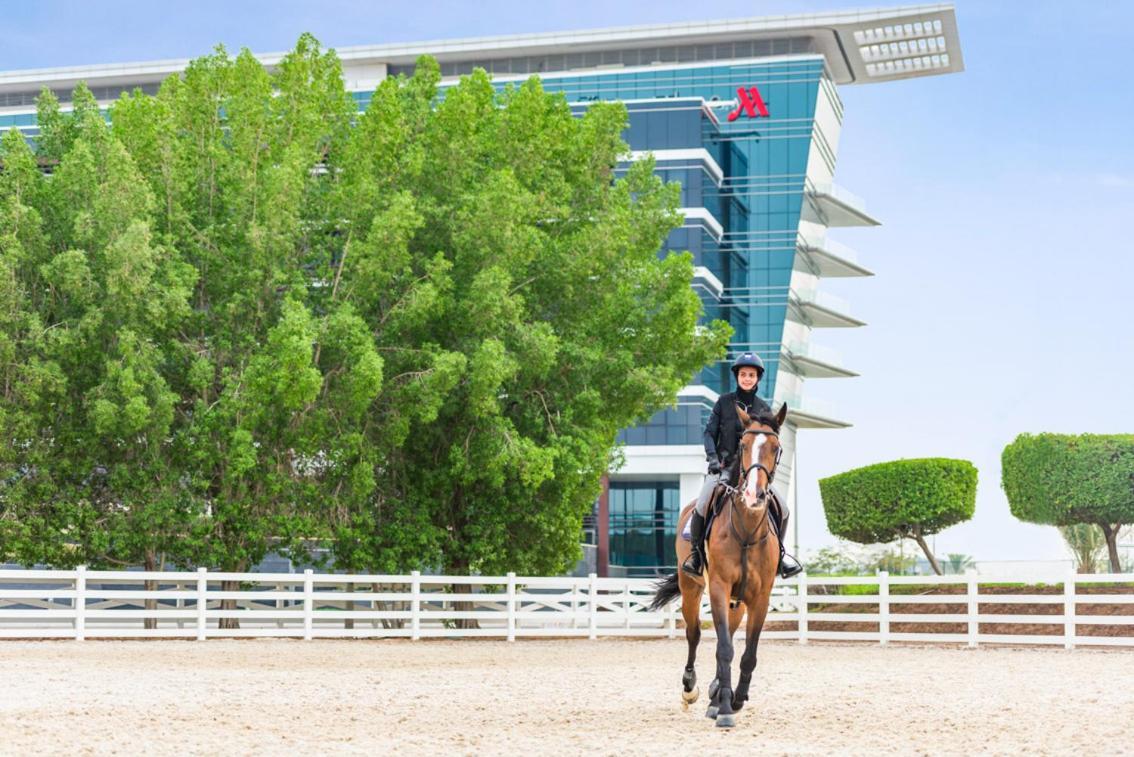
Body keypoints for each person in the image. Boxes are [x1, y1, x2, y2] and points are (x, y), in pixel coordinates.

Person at [681, 352, 803, 579]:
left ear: (758, 378)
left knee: (783, 509)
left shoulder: (763, 409)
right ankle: (696, 555)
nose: (747, 378)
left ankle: (780, 557)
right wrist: (713, 459)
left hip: (754, 474)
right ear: (737, 376)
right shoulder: (723, 402)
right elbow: (709, 434)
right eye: (743, 374)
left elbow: (768, 443)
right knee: (703, 503)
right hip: (724, 469)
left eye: (752, 375)